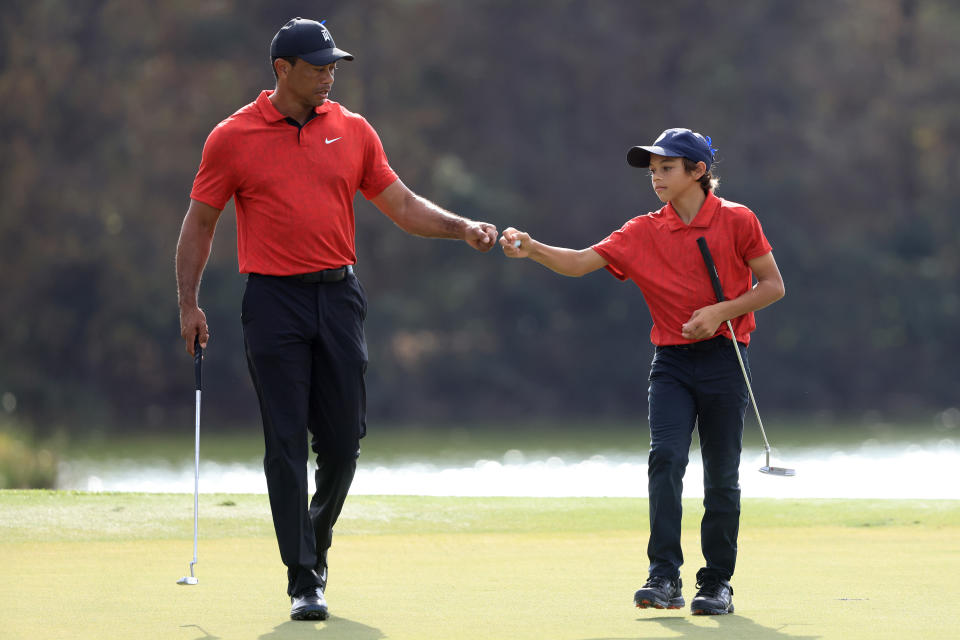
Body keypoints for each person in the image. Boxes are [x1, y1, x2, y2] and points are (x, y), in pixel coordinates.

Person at [175, 17, 498, 621]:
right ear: (282, 69)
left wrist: (461, 228)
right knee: (286, 442)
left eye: (332, 66)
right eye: (318, 66)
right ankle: (302, 579)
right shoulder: (233, 136)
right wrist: (188, 304)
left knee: (345, 444)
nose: (329, 76)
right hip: (273, 303)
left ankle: (313, 546)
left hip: (338, 297)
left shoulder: (352, 130)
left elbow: (400, 204)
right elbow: (200, 222)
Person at [499, 128, 784, 615]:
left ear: (698, 172)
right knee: (665, 460)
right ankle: (664, 575)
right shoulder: (641, 231)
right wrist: (534, 248)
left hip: (725, 358)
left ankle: (716, 583)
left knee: (721, 477)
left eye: (666, 168)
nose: (656, 178)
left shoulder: (738, 220)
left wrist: (719, 312)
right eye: (652, 170)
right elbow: (581, 261)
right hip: (671, 364)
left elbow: (773, 285)